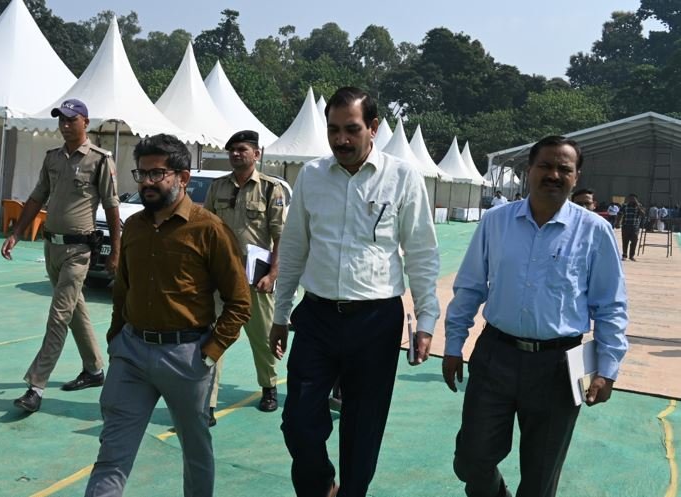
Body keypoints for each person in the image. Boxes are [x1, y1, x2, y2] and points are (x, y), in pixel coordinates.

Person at [269, 87, 440, 497]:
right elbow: (293, 249)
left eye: (351, 129)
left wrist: (426, 320)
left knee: (363, 427)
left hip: (376, 321)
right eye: (333, 130)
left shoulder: (402, 177)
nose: (341, 139)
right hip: (317, 318)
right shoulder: (312, 176)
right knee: (298, 422)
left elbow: (421, 252)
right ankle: (322, 485)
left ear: (373, 128)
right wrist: (280, 314)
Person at [442, 135, 628, 497]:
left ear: (576, 176)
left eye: (564, 169)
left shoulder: (594, 231)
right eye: (545, 165)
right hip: (496, 354)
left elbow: (611, 305)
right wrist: (453, 344)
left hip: (560, 365)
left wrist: (608, 368)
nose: (553, 175)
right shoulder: (496, 222)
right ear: (529, 170)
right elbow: (470, 288)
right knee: (471, 458)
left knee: (541, 476)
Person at [84, 134, 251, 497]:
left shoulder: (209, 229)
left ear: (183, 177)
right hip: (131, 354)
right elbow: (122, 289)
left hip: (187, 356)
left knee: (195, 450)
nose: (146, 181)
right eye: (141, 173)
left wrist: (210, 352)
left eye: (157, 173)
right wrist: (116, 337)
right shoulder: (134, 227)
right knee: (112, 452)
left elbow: (239, 301)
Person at [1, 98, 121, 413]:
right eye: (61, 120)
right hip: (51, 247)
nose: (65, 125)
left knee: (58, 316)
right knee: (74, 310)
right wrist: (16, 233)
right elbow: (37, 196)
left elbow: (112, 207)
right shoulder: (52, 158)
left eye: (71, 120)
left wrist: (116, 251)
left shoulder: (100, 160)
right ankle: (94, 370)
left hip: (78, 251)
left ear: (86, 122)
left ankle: (36, 386)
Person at [203, 130, 289, 418]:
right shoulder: (217, 187)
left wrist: (273, 275)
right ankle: (208, 402)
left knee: (263, 338)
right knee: (214, 337)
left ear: (257, 154)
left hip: (256, 278)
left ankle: (269, 386)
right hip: (221, 276)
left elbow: (280, 236)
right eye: (232, 150)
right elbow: (205, 228)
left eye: (242, 149)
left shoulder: (270, 189)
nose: (236, 154)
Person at [618, 193, 645, 261]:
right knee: (625, 241)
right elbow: (620, 214)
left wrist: (637, 205)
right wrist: (617, 222)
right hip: (625, 226)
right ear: (628, 199)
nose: (632, 200)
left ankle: (631, 256)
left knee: (634, 241)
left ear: (636, 199)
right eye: (630, 198)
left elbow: (643, 214)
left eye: (633, 199)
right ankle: (624, 255)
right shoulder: (624, 205)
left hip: (635, 227)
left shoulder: (639, 206)